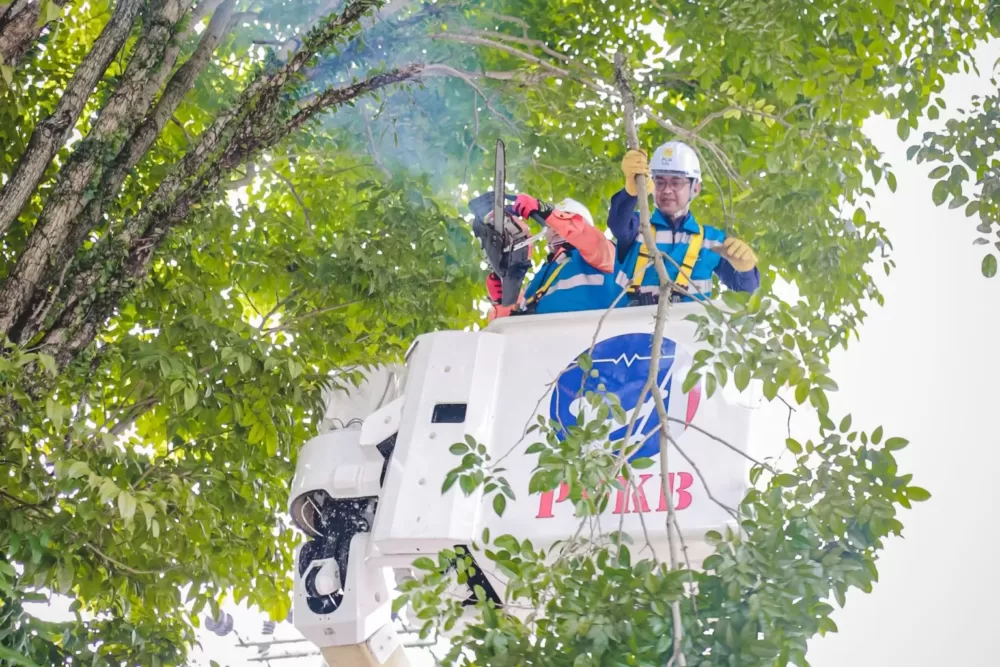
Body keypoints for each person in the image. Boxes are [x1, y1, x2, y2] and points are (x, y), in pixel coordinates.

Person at [609, 141, 760, 304]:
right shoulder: (638, 228)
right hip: (631, 327)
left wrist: (746, 269)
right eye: (660, 182)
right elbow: (618, 223)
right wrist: (630, 193)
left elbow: (746, 296)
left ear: (695, 188)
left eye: (676, 182)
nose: (667, 190)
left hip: (688, 329)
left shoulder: (711, 241)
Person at [486, 195, 618, 320]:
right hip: (545, 340)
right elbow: (512, 327)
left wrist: (546, 212)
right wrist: (503, 300)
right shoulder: (539, 279)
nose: (554, 228)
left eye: (561, 221)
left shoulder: (602, 254)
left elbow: (589, 237)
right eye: (550, 226)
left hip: (591, 338)